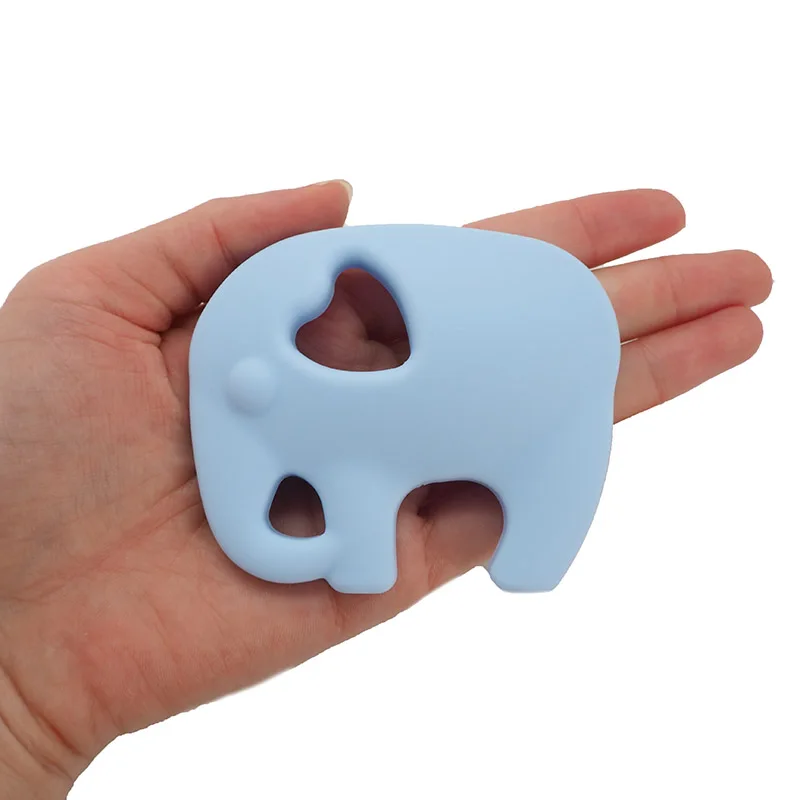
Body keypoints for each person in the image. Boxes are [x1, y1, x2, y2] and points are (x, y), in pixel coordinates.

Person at [0, 180, 772, 798]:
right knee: (389, 479)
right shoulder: (287, 339)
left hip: (529, 359)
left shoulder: (313, 345)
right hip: (518, 355)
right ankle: (525, 538)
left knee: (477, 479)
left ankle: (533, 540)